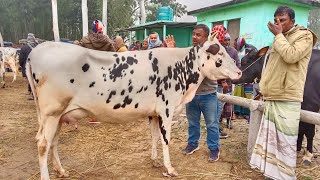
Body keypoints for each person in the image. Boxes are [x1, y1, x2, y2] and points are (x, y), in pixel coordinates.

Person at [250, 6, 317, 180]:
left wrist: (278, 35)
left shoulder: (305, 35)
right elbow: (273, 68)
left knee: (285, 143)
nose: (278, 23)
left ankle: (285, 176)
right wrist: (263, 88)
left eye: (282, 20)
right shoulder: (281, 39)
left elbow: (291, 56)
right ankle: (272, 175)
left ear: (293, 22)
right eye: (276, 20)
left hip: (288, 97)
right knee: (272, 143)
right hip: (273, 96)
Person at [166, 24, 220, 162]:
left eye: (198, 35)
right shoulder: (190, 51)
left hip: (208, 94)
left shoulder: (213, 50)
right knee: (193, 123)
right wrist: (172, 51)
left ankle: (214, 149)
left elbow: (214, 57)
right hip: (192, 94)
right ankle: (192, 144)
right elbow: (178, 66)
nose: (195, 37)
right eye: (194, 34)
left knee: (212, 124)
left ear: (206, 37)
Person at [213, 27, 240, 134]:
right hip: (217, 84)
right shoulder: (218, 50)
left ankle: (227, 121)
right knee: (218, 106)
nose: (227, 42)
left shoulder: (233, 51)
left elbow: (238, 64)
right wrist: (223, 79)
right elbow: (217, 66)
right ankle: (216, 127)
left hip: (228, 83)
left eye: (228, 39)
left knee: (227, 104)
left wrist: (232, 73)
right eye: (225, 39)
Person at [19, 33, 38, 100]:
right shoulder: (37, 47)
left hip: (27, 67)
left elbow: (21, 59)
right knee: (34, 80)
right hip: (37, 67)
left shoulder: (24, 48)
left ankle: (32, 94)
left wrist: (22, 66)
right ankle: (31, 92)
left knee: (31, 80)